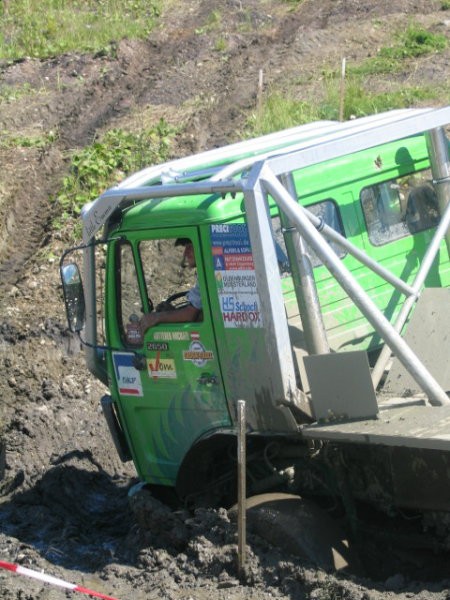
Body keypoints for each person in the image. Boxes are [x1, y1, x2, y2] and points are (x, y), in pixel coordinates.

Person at [139, 238, 202, 334]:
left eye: (190, 247)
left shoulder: (210, 275)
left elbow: (190, 315)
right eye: (186, 248)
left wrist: (157, 317)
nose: (186, 253)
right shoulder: (207, 274)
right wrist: (171, 312)